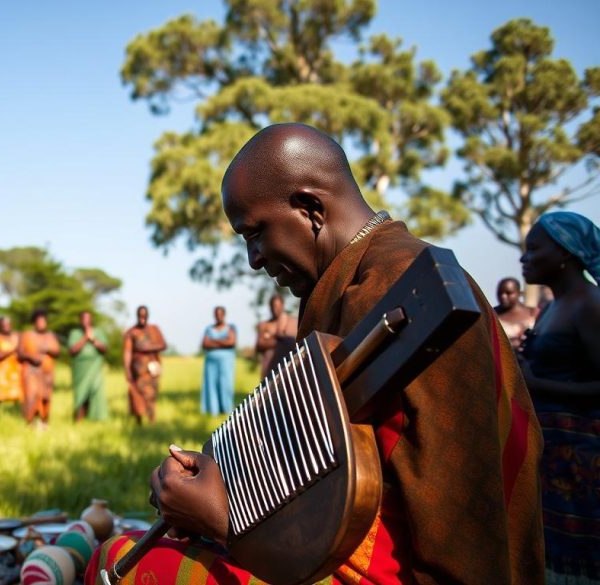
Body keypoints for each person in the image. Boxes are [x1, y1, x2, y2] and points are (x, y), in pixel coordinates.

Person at [93, 124, 544, 584]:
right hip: (340, 544)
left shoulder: (395, 289)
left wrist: (224, 522)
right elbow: (311, 457)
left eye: (255, 233)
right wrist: (218, 478)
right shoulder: (357, 283)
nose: (253, 259)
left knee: (121, 560)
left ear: (311, 208)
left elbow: (452, 519)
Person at [518, 211, 600, 584]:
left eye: (534, 249)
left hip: (581, 466)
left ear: (565, 253)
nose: (524, 258)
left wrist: (537, 384)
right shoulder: (552, 307)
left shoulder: (589, 304)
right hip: (551, 458)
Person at [123, 305, 167, 425]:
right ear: (137, 316)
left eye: (144, 316)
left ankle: (151, 421)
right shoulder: (131, 332)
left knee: (151, 395)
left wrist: (147, 348)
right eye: (140, 316)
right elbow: (127, 352)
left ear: (147, 316)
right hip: (138, 370)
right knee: (136, 395)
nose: (142, 319)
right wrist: (127, 370)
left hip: (153, 369)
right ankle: (139, 422)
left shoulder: (154, 329)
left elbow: (163, 345)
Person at [17, 309, 60, 427]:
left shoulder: (50, 336)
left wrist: (46, 348)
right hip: (31, 371)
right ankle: (29, 423)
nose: (42, 323)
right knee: (31, 396)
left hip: (47, 372)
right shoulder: (26, 335)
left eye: (44, 321)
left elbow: (57, 352)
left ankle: (44, 421)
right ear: (34, 322)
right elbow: (19, 353)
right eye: (39, 321)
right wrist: (31, 357)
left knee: (46, 397)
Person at [69, 310, 109, 422]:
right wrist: (85, 338)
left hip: (95, 369)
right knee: (81, 393)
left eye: (88, 319)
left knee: (96, 392)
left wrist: (94, 340)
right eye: (83, 319)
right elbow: (72, 350)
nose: (86, 322)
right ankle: (78, 418)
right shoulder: (75, 333)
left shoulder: (98, 333)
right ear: (80, 321)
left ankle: (97, 418)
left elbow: (105, 349)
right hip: (80, 370)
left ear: (91, 320)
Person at [200, 306, 237, 415]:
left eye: (220, 314)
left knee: (225, 384)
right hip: (211, 363)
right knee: (211, 385)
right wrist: (222, 341)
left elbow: (231, 342)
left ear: (224, 315)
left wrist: (214, 341)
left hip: (225, 362)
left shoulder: (230, 328)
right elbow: (205, 343)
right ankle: (213, 410)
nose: (218, 316)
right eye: (216, 314)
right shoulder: (209, 329)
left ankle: (226, 409)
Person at [254, 294, 297, 382]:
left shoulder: (291, 322)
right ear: (270, 307)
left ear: (282, 306)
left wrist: (270, 337)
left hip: (285, 366)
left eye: (278, 306)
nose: (275, 309)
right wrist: (279, 340)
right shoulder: (264, 325)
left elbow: (292, 342)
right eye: (273, 306)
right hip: (268, 367)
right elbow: (259, 345)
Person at [0, 316, 22, 420]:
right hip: (1, 373)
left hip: (16, 371)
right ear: (0, 326)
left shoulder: (17, 336)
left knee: (20, 396)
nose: (7, 327)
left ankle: (22, 418)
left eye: (8, 324)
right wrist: (13, 350)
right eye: (4, 325)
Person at [494, 277, 536, 349]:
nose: (503, 296)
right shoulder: (493, 314)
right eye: (500, 293)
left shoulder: (533, 313)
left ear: (519, 293)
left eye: (508, 293)